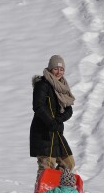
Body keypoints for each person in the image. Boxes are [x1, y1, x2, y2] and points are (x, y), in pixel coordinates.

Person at [29, 54, 75, 182]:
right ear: (50, 69)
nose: (59, 72)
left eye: (61, 69)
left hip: (57, 132)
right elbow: (38, 106)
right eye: (56, 69)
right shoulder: (42, 85)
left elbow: (68, 107)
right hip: (43, 132)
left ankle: (55, 187)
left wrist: (60, 119)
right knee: (46, 167)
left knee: (68, 163)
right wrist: (51, 122)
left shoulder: (63, 87)